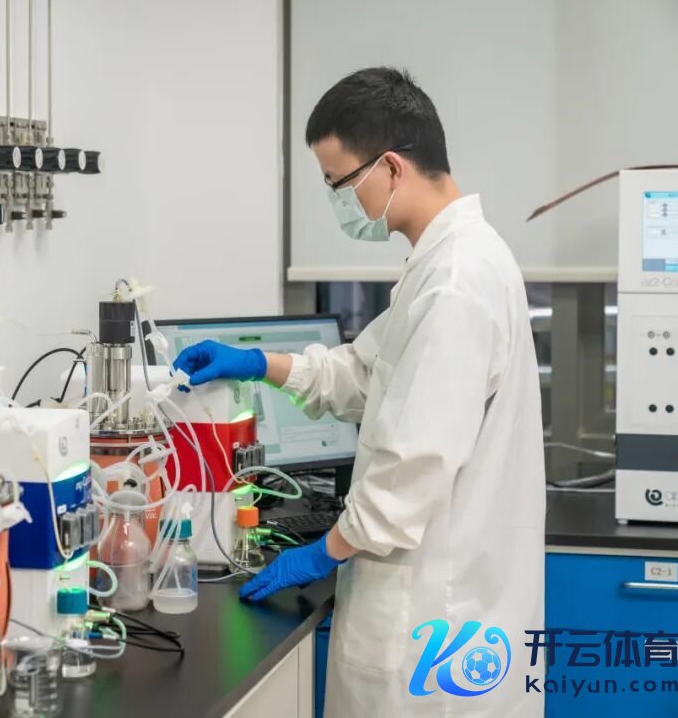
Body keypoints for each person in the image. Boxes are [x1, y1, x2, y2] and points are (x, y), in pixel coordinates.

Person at [173, 68, 544, 716]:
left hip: (430, 623)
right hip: (437, 615)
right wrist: (258, 362)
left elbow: (413, 466)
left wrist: (324, 550)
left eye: (339, 183)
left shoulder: (457, 282)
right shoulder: (445, 264)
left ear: (391, 167)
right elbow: (364, 374)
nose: (338, 201)